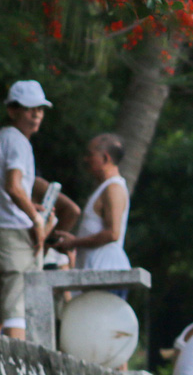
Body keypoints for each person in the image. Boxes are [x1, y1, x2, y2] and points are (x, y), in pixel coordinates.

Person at [1, 81, 76, 340]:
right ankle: (12, 374)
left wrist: (29, 206)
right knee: (16, 306)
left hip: (6, 229)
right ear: (12, 111)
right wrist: (36, 219)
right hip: (14, 233)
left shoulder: (4, 138)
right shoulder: (18, 141)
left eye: (40, 110)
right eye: (29, 109)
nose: (36, 115)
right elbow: (13, 186)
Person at [49, 134, 129, 283]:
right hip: (94, 272)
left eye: (90, 155)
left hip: (105, 273)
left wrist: (74, 242)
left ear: (105, 158)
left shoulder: (113, 188)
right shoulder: (105, 187)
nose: (86, 159)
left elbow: (112, 234)